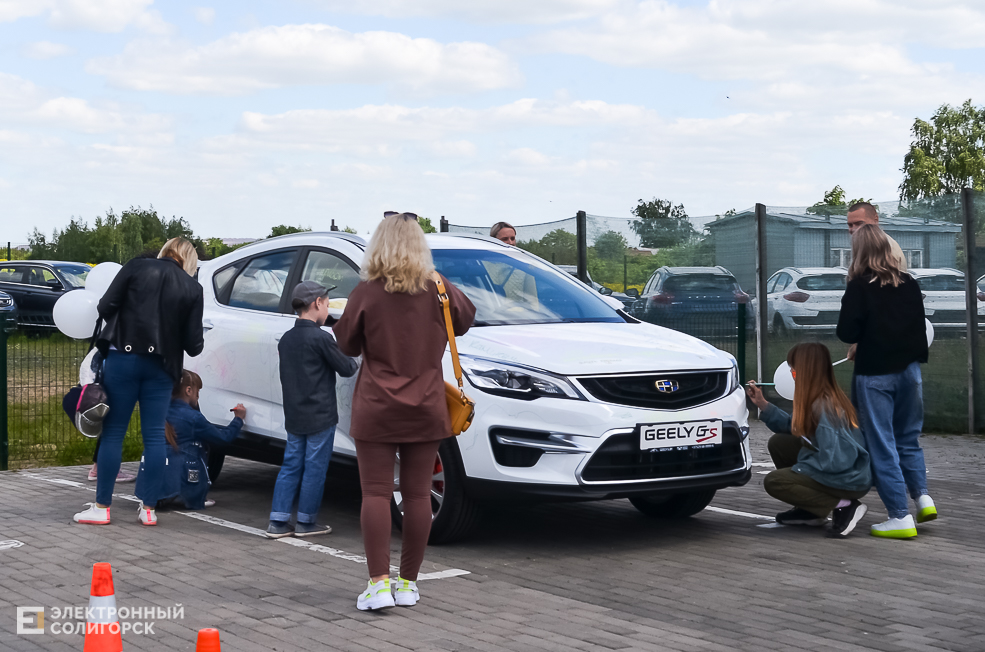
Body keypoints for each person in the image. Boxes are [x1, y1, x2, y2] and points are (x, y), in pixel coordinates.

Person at [334, 212, 475, 611]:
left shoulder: (367, 291)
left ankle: (378, 585)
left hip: (377, 405)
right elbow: (465, 320)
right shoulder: (439, 288)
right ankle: (408, 583)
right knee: (416, 495)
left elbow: (345, 343)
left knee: (376, 492)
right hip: (427, 404)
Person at [74, 237, 204, 527]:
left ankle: (101, 507)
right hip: (162, 367)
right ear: (189, 260)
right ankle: (148, 509)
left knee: (114, 433)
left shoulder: (136, 267)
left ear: (165, 251)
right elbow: (194, 346)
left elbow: (106, 306)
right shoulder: (193, 288)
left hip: (123, 359)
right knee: (155, 436)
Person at [837, 223, 934, 539]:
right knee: (908, 437)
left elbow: (847, 332)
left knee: (882, 444)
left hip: (876, 375)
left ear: (859, 252)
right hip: (911, 372)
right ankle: (922, 497)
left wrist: (860, 339)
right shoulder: (909, 283)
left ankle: (899, 516)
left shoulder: (860, 286)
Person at [746, 343, 872, 537]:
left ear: (806, 372)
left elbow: (835, 460)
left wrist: (800, 470)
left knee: (775, 482)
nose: (792, 375)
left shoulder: (824, 406)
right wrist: (763, 404)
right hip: (841, 469)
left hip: (847, 478)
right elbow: (794, 426)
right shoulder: (817, 399)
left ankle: (845, 506)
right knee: (779, 443)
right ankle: (811, 511)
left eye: (794, 372)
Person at [265, 281, 358, 539]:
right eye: (327, 305)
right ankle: (306, 522)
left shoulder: (287, 339)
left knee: (291, 465)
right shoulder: (322, 338)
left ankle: (278, 520)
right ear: (317, 303)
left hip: (294, 415)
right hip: (321, 416)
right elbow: (348, 368)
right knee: (314, 468)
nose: (328, 311)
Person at [136, 370, 246, 510]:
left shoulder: (156, 410)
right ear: (188, 390)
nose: (198, 396)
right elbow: (223, 438)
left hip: (147, 486)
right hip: (183, 484)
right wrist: (238, 419)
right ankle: (185, 496)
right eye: (197, 392)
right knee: (194, 447)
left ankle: (160, 497)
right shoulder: (193, 418)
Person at [846, 202, 906, 270]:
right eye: (850, 225)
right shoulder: (866, 246)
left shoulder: (885, 248)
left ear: (875, 220)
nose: (854, 229)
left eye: (859, 224)